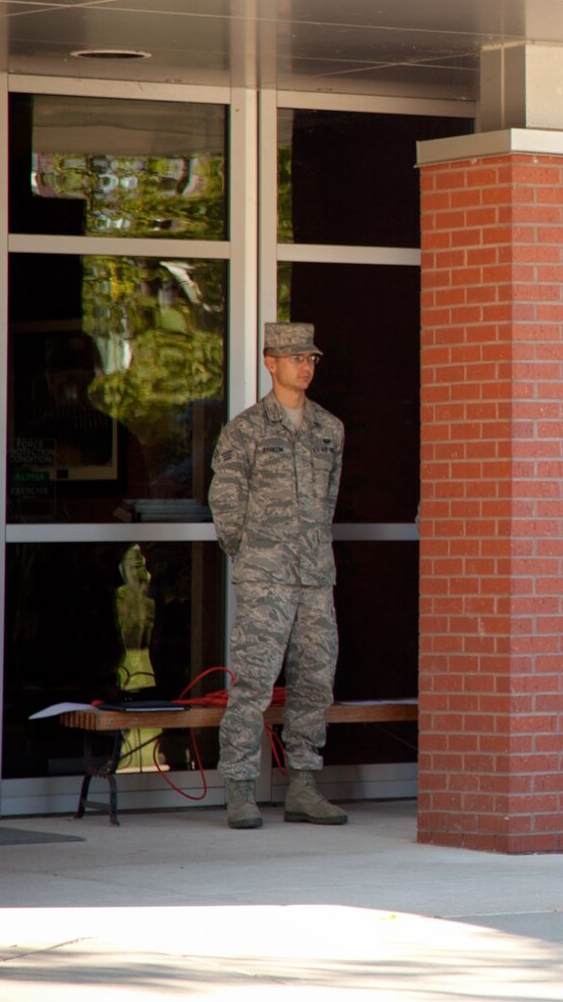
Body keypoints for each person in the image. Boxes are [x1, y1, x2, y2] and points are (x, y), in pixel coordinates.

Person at [210, 322, 347, 830]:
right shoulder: (246, 429)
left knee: (314, 682)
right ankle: (240, 787)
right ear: (271, 363)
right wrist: (251, 555)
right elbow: (225, 503)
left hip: (314, 576)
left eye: (311, 359)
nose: (305, 366)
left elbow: (328, 501)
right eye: (295, 359)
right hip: (266, 577)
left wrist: (309, 550)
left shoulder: (328, 429)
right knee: (254, 683)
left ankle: (304, 786)